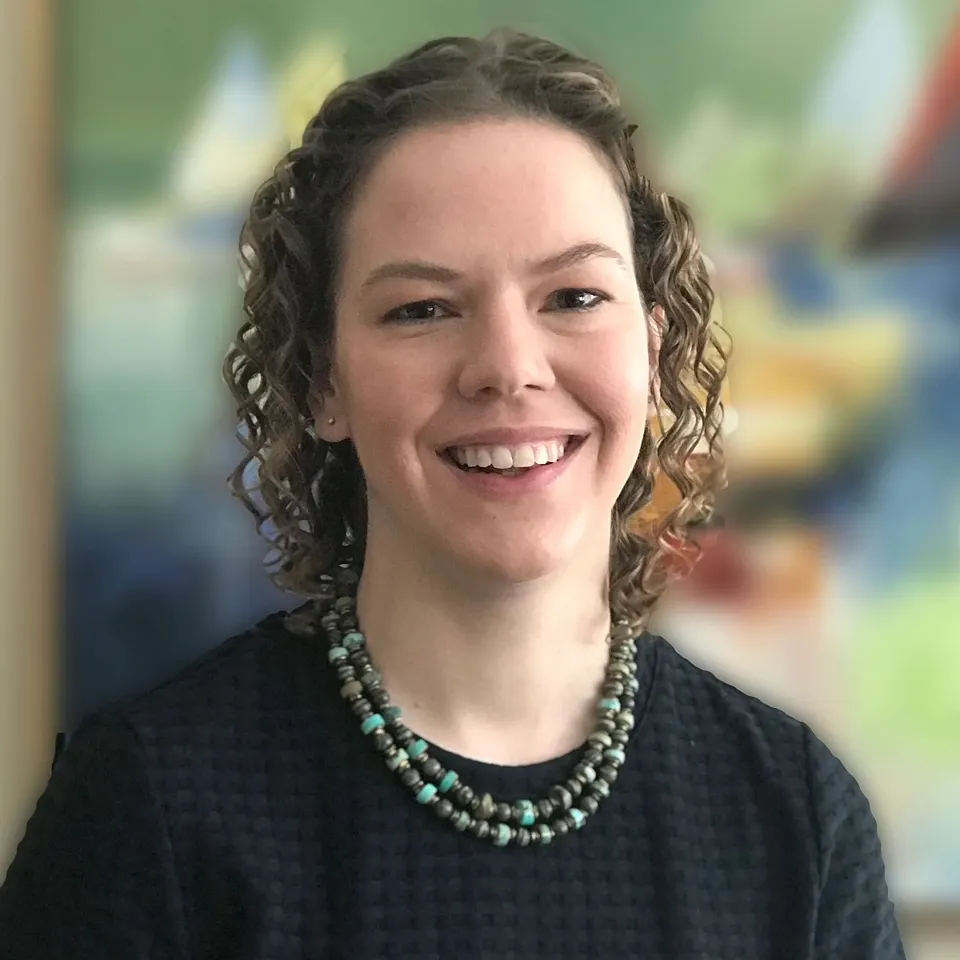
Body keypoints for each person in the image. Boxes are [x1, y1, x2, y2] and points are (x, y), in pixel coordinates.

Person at [0, 29, 905, 958]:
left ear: (653, 349)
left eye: (575, 297)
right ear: (322, 384)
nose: (507, 369)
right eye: (421, 309)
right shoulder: (150, 810)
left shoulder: (797, 815)